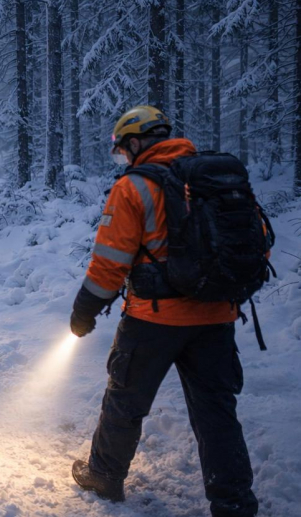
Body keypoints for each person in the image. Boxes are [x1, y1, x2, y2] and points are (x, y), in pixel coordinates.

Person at [69, 105, 260, 516]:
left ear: (137, 142)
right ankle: (234, 503)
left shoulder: (133, 187)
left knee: (125, 400)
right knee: (216, 413)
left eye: (124, 149)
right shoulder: (214, 180)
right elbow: (254, 240)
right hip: (216, 316)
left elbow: (109, 262)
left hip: (153, 318)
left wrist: (84, 311)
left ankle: (104, 475)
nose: (124, 157)